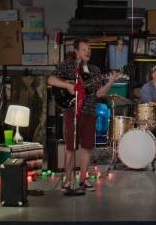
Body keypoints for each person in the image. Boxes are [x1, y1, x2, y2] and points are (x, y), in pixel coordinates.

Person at [48, 38, 119, 195]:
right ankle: (68, 181)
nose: (88, 52)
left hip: (90, 112)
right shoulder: (68, 66)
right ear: (77, 51)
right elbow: (50, 79)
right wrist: (68, 85)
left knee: (87, 147)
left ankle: (83, 179)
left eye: (89, 50)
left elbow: (100, 93)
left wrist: (110, 82)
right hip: (72, 110)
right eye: (85, 49)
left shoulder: (95, 70)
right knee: (71, 147)